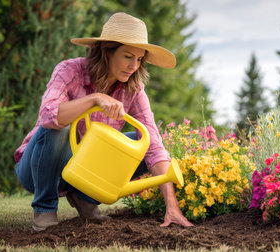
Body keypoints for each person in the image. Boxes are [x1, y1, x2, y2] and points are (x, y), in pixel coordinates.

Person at [14, 12, 193, 231]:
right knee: (60, 126)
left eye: (139, 59)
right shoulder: (70, 70)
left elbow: (154, 144)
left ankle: (85, 200)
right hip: (38, 168)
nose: (134, 66)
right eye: (128, 56)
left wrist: (171, 205)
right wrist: (95, 99)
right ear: (106, 51)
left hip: (84, 171)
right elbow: (49, 116)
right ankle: (44, 208)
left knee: (142, 140)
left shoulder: (134, 89)